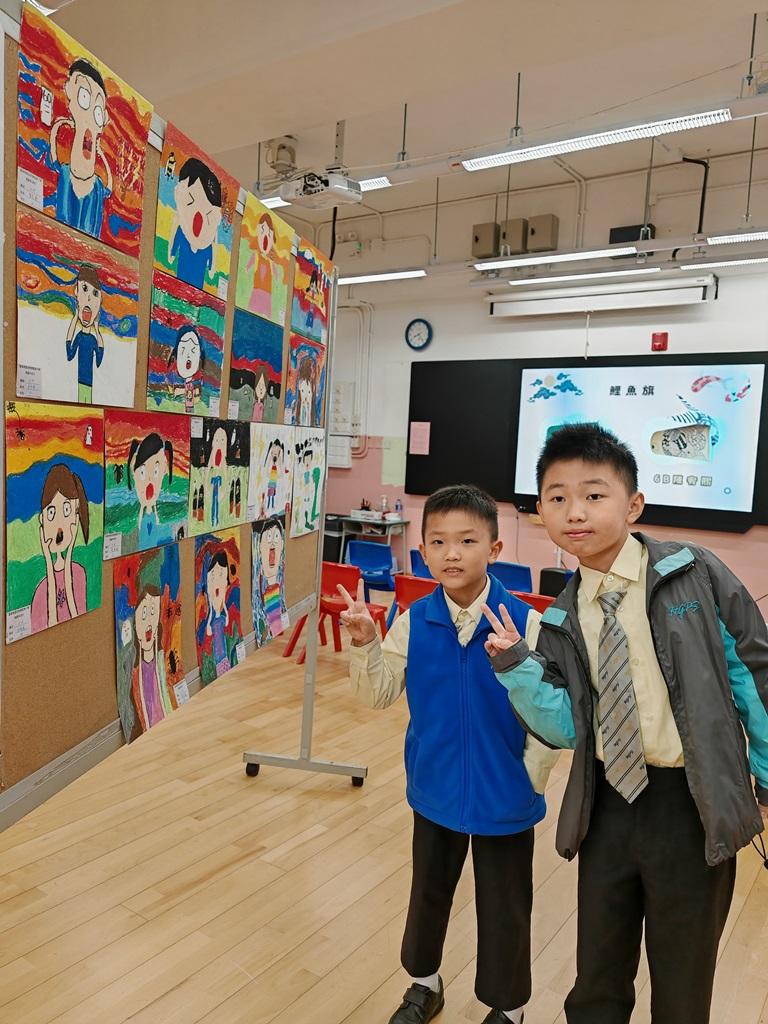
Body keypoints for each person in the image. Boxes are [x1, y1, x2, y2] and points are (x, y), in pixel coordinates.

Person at [483, 423, 768, 1024]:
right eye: (557, 498)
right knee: (598, 975)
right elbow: (568, 728)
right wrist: (516, 670)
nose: (574, 512)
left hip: (691, 803)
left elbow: (754, 675)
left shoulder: (695, 573)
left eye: (594, 494)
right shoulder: (561, 616)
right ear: (540, 511)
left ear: (633, 504)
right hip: (607, 804)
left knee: (683, 977)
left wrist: (766, 777)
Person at [340, 484, 558, 1024]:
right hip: (434, 789)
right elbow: (378, 695)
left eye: (467, 540)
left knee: (505, 905)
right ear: (423, 550)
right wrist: (365, 643)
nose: (452, 554)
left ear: (495, 548)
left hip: (505, 796)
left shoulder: (524, 622)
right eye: (438, 542)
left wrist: (528, 780)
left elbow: (548, 718)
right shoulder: (414, 620)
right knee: (429, 893)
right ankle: (425, 984)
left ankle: (508, 1007)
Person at [50, 58, 112, 237]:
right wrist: (57, 126)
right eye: (84, 97)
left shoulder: (98, 187)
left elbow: (109, 185)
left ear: (103, 119)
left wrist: (101, 154)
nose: (90, 117)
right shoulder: (64, 172)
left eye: (97, 112)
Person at [31, 463, 89, 632]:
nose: (59, 525)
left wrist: (69, 554)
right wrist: (49, 564)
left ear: (76, 516)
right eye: (51, 513)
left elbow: (78, 618)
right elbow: (49, 628)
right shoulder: (40, 592)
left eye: (66, 509)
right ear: (42, 520)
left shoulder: (79, 574)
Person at [169, 157, 222, 290]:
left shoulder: (206, 245)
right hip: (180, 282)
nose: (199, 215)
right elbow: (176, 243)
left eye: (208, 214)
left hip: (197, 288)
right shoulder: (183, 232)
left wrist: (211, 267)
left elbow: (210, 257)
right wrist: (172, 253)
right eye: (190, 201)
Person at [66, 265, 104, 403]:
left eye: (95, 293)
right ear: (76, 291)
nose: (89, 298)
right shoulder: (79, 337)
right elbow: (69, 353)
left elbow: (99, 358)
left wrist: (97, 330)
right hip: (81, 381)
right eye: (84, 288)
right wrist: (75, 318)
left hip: (89, 383)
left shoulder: (93, 339)